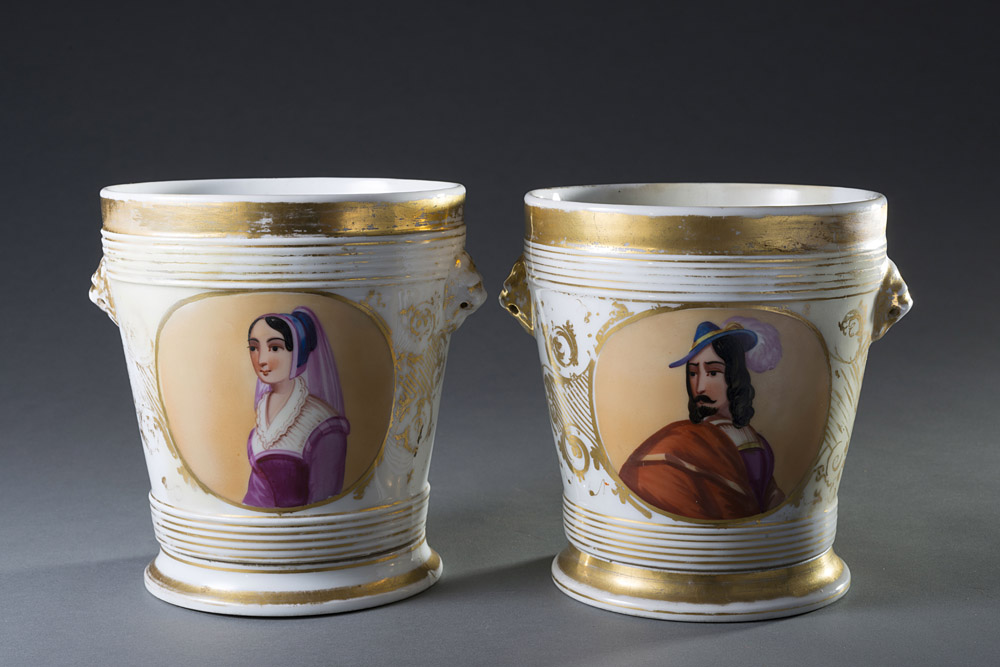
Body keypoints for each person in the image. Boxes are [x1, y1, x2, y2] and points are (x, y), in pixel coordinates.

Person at [619, 321, 784, 520]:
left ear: (735, 376)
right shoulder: (681, 441)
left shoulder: (760, 443)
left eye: (712, 372)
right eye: (693, 373)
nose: (700, 387)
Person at [243, 306, 350, 508]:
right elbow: (254, 499)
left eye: (275, 348)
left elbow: (325, 502)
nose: (261, 360)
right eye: (254, 348)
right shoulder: (259, 429)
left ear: (297, 353)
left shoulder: (321, 424)